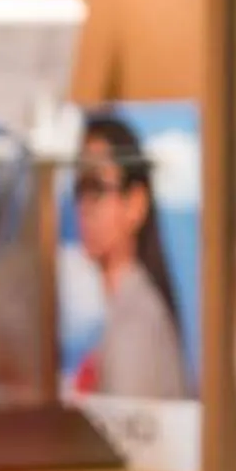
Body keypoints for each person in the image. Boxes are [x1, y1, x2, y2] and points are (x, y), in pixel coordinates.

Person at [70, 112, 191, 402]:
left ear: (135, 204)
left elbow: (128, 445)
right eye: (80, 189)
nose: (85, 207)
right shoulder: (126, 310)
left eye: (96, 188)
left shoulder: (135, 324)